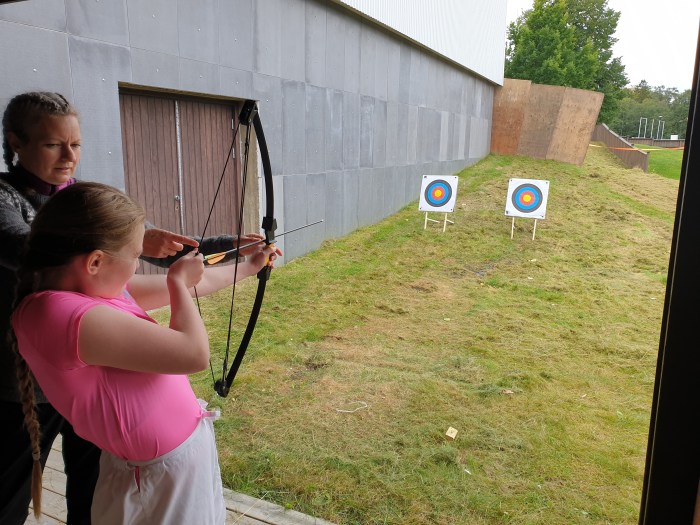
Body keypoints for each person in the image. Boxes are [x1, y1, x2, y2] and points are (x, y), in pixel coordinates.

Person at [0, 91, 264, 524]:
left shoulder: (89, 256)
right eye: (53, 144)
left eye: (76, 144)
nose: (69, 156)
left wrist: (243, 260)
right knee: (9, 491)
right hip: (20, 380)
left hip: (104, 397)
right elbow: (27, 248)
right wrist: (172, 277)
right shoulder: (61, 295)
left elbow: (161, 261)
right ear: (16, 142)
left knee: (87, 489)